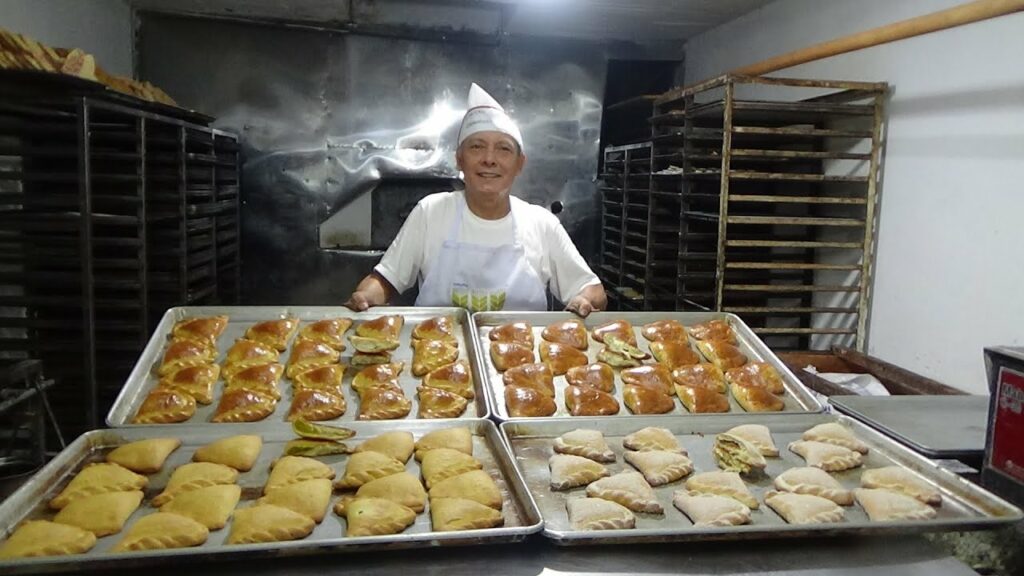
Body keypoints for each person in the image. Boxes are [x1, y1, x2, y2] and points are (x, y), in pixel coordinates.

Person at [345, 83, 606, 316]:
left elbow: (592, 291)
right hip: (439, 354)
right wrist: (366, 296)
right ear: (460, 159)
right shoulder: (431, 212)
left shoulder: (541, 224)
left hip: (523, 362)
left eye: (503, 148)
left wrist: (584, 300)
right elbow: (386, 280)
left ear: (519, 164)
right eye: (477, 146)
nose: (489, 159)